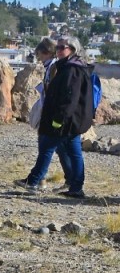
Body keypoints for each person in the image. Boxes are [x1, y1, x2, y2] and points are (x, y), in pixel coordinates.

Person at [18, 36, 94, 199]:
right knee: (72, 152)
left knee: (47, 147)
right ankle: (74, 186)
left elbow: (69, 99)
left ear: (72, 49)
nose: (58, 51)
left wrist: (58, 120)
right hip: (70, 120)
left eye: (62, 48)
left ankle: (34, 181)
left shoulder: (72, 70)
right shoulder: (68, 67)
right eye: (57, 48)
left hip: (66, 120)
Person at [14, 37, 64, 193]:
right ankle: (66, 180)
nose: (39, 59)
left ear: (46, 52)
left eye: (40, 55)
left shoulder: (54, 67)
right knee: (59, 148)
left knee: (47, 146)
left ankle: (36, 179)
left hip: (51, 113)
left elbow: (53, 91)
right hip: (50, 111)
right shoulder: (52, 67)